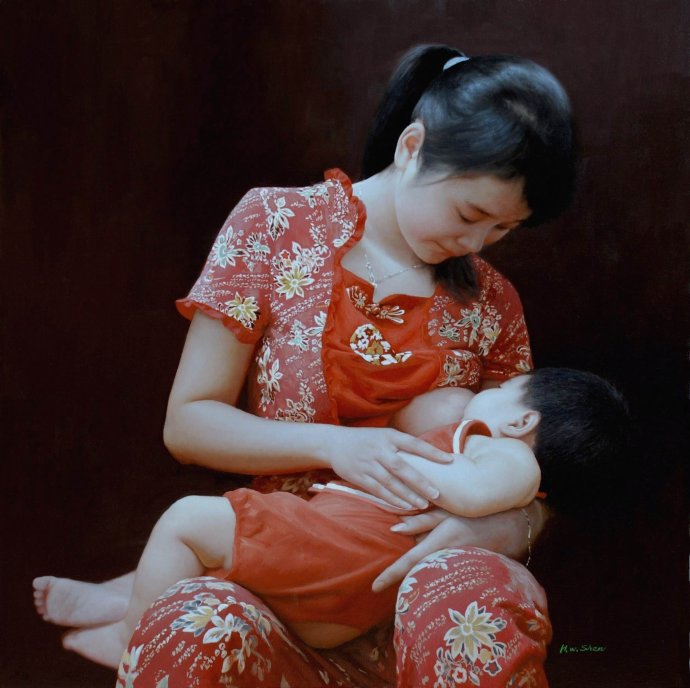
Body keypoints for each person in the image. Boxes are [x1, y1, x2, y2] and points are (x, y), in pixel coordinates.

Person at [34, 43, 578, 686]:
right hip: (280, 573)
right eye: (470, 214)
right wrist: (336, 446)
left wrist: (511, 526)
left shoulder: (493, 303)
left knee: (477, 590)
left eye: (503, 230)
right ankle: (137, 607)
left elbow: (535, 460)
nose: (476, 243)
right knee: (195, 624)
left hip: (416, 592)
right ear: (412, 147)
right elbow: (189, 423)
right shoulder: (275, 224)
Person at [35, 368, 629, 668]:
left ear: (522, 422)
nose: (489, 390)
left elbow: (475, 495)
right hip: (334, 605)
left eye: (504, 387)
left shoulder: (506, 458)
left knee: (187, 519)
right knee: (220, 559)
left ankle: (132, 636)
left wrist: (411, 466)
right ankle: (119, 599)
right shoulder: (496, 455)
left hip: (331, 553)